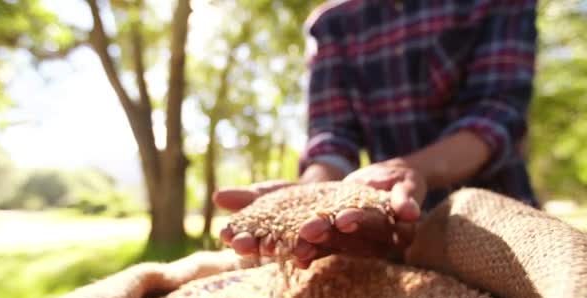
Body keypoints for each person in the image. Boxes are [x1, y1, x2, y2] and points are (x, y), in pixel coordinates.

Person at [213, 0, 539, 269]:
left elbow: (496, 117)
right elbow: (332, 135)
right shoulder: (333, 24)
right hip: (385, 230)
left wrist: (406, 170)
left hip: (496, 220)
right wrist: (310, 192)